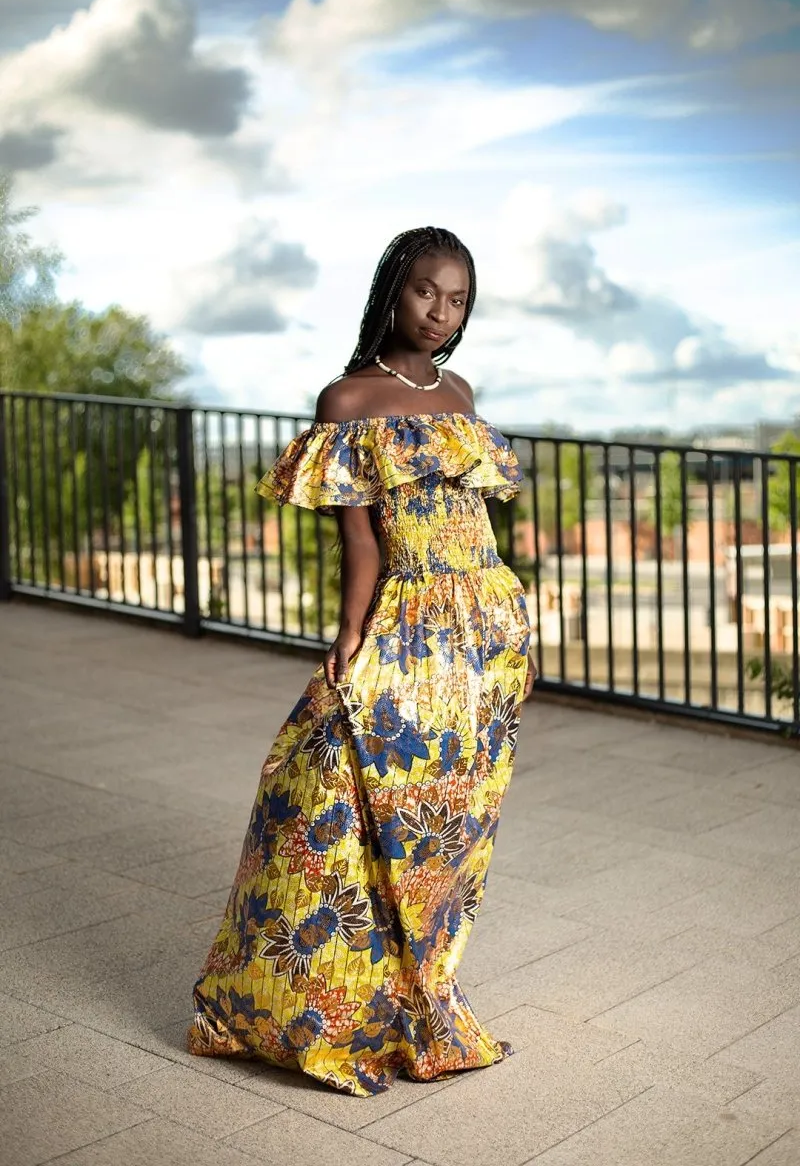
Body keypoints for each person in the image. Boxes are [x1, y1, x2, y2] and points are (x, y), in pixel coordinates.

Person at [188, 226, 537, 1097]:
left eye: (457, 298)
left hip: (486, 629)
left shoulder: (459, 393)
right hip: (405, 624)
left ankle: (422, 995)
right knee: (313, 793)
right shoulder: (347, 401)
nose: (440, 311)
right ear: (394, 289)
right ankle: (323, 1007)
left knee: (445, 830)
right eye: (426, 291)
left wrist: (510, 630)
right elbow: (361, 541)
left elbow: (482, 526)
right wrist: (352, 635)